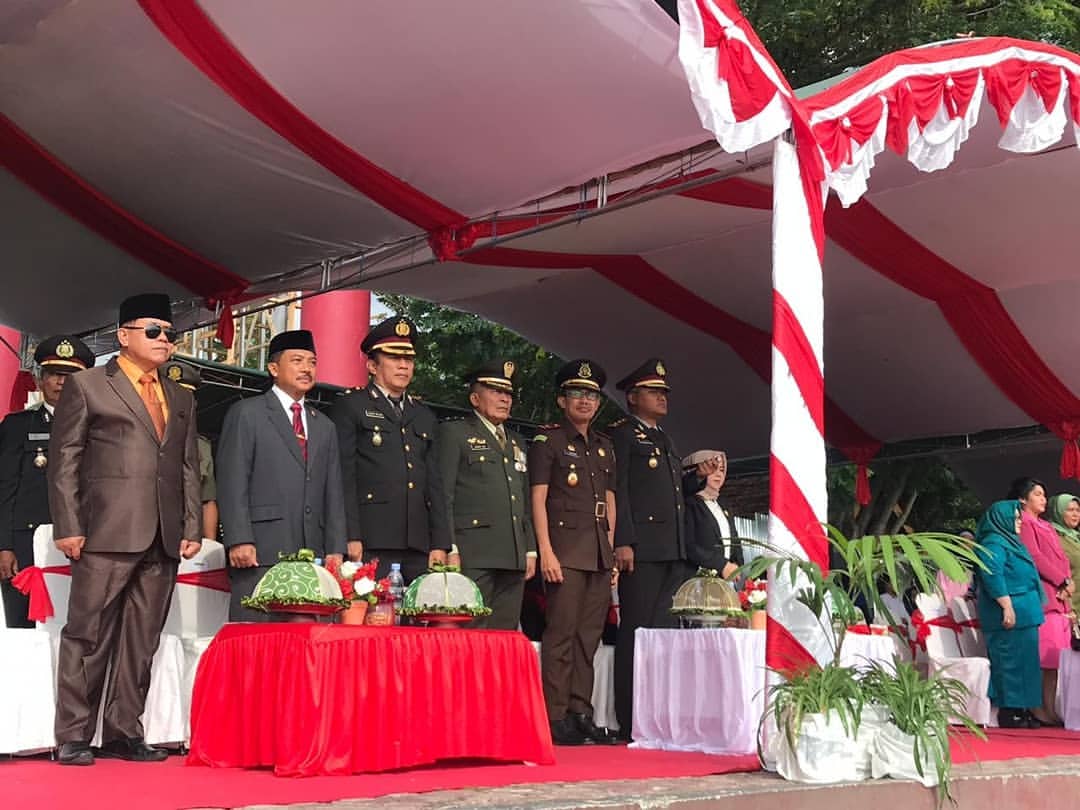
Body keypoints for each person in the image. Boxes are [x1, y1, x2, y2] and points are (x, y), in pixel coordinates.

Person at [48, 293, 202, 766]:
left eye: (170, 333)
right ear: (123, 336)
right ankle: (73, 735)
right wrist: (68, 525)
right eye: (153, 330)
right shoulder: (90, 384)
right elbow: (65, 460)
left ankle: (123, 732)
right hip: (106, 529)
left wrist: (191, 524)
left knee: (142, 639)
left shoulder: (179, 395)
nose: (164, 340)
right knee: (88, 634)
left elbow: (187, 466)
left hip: (163, 533)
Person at [608, 358, 714, 737]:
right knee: (637, 632)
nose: (662, 397)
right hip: (643, 548)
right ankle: (629, 718)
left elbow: (670, 493)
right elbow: (619, 490)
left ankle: (656, 714)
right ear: (633, 397)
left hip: (672, 548)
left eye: (664, 392)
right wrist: (623, 540)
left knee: (663, 635)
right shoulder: (622, 434)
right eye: (654, 392)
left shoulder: (664, 438)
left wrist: (695, 479)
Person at [216, 330, 347, 621]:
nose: (306, 369)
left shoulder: (324, 425)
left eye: (312, 362)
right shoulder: (247, 413)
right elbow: (232, 479)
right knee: (258, 634)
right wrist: (239, 538)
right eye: (297, 361)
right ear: (274, 368)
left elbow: (334, 491)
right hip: (261, 549)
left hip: (312, 552)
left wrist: (336, 547)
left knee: (307, 637)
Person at [528, 359, 618, 745]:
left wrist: (610, 552)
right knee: (561, 635)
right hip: (564, 552)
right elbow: (538, 499)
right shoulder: (547, 441)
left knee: (589, 638)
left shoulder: (604, 446)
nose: (585, 400)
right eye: (577, 393)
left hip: (597, 553)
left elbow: (609, 503)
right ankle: (555, 714)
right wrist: (545, 551)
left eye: (592, 395)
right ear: (561, 400)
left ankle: (581, 711)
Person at [330, 315, 451, 581]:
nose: (403, 366)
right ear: (372, 365)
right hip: (372, 537)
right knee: (372, 606)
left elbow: (434, 483)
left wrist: (441, 542)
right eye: (395, 358)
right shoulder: (352, 405)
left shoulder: (423, 415)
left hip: (418, 541)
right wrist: (349, 534)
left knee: (419, 607)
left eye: (408, 359)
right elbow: (343, 476)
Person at [0, 335, 94, 627]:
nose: (61, 382)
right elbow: (4, 488)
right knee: (25, 629)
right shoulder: (17, 426)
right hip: (27, 544)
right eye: (54, 374)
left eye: (70, 376)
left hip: (84, 542)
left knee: (80, 627)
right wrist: (4, 546)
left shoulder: (99, 427)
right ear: (40, 380)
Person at [436, 360, 536, 629]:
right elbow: (444, 495)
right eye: (496, 391)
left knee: (503, 634)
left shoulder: (516, 441)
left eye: (508, 393)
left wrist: (530, 549)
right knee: (471, 631)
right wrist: (450, 547)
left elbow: (523, 500)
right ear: (475, 398)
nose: (505, 399)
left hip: (512, 553)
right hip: (473, 552)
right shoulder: (455, 432)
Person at [973, 499, 1044, 729]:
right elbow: (992, 575)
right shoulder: (993, 543)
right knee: (1009, 662)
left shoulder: (1012, 542)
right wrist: (1006, 605)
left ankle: (1024, 709)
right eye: (1015, 518)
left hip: (1025, 612)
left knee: (1026, 663)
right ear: (1001, 519)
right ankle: (1009, 710)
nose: (1020, 521)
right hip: (1007, 612)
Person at [1011, 476, 1072, 725]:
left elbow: (1062, 559)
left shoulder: (1046, 525)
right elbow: (1034, 557)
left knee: (1054, 659)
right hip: (1044, 596)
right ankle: (1037, 707)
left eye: (1044, 494)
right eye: (1037, 494)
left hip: (1059, 595)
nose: (1043, 499)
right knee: (1042, 657)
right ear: (1023, 499)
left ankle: (1049, 706)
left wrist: (1067, 582)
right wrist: (1061, 580)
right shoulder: (1025, 523)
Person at [162, 360, 218, 543]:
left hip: (187, 540)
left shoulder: (201, 446)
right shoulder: (135, 436)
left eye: (184, 396)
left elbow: (207, 500)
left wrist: (209, 545)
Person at [681, 449, 742, 576]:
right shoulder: (688, 503)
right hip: (698, 579)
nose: (718, 474)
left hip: (727, 579)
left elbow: (735, 541)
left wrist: (738, 567)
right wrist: (721, 565)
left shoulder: (723, 504)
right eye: (713, 469)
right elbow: (689, 546)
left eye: (721, 470)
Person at [1046, 493, 1080, 616]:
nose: (1075, 514)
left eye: (1078, 510)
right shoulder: (1052, 537)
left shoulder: (1076, 537)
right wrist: (1069, 609)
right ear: (1058, 512)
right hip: (1070, 607)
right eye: (1070, 510)